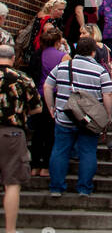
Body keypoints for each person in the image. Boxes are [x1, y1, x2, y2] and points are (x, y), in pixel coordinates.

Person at [44, 36, 112, 198]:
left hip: (64, 115)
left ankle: (56, 187)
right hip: (89, 120)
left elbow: (47, 86)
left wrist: (51, 107)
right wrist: (107, 116)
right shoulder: (100, 71)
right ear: (93, 52)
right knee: (88, 152)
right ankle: (84, 188)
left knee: (60, 151)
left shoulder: (62, 67)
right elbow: (108, 94)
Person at [1, 43, 42, 233]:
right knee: (12, 182)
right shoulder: (22, 78)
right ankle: (10, 232)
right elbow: (37, 108)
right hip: (12, 132)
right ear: (14, 57)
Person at [30, 24, 66, 179]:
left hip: (38, 96)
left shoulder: (37, 54)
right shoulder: (62, 56)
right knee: (51, 134)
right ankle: (45, 167)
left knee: (38, 133)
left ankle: (34, 166)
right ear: (58, 41)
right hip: (55, 97)